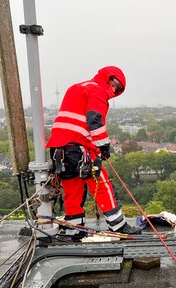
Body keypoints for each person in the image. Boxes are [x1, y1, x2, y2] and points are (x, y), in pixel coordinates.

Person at [46, 65, 142, 236]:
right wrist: (104, 147)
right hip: (79, 147)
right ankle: (118, 226)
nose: (113, 89)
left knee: (72, 188)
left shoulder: (76, 88)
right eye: (113, 84)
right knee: (102, 184)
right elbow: (94, 119)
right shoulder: (98, 91)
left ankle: (75, 229)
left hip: (59, 149)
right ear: (107, 78)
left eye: (117, 88)